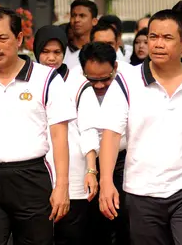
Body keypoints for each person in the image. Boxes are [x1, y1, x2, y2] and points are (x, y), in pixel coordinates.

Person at [98, 9, 182, 245]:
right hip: (141, 191)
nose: (158, 44)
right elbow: (110, 134)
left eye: (167, 38)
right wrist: (106, 182)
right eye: (153, 37)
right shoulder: (126, 82)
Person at [0, 7, 75, 245]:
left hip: (31, 178)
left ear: (19, 39)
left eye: (2, 38)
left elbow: (60, 137)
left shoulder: (46, 78)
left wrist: (62, 187)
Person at [33, 25, 100, 245]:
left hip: (73, 176)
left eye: (57, 52)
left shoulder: (78, 83)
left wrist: (91, 169)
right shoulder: (29, 80)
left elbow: (90, 129)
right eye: (46, 52)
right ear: (36, 51)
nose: (51, 58)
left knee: (71, 237)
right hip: (35, 177)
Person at [79, 42, 131, 245]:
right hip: (91, 162)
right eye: (93, 80)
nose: (99, 85)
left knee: (125, 222)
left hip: (125, 162)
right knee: (95, 227)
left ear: (115, 67)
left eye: (105, 79)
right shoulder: (76, 83)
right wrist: (92, 170)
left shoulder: (130, 82)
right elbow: (86, 128)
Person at [64, 0, 98, 69]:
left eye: (82, 16)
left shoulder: (100, 51)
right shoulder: (61, 51)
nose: (76, 20)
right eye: (73, 15)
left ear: (94, 21)